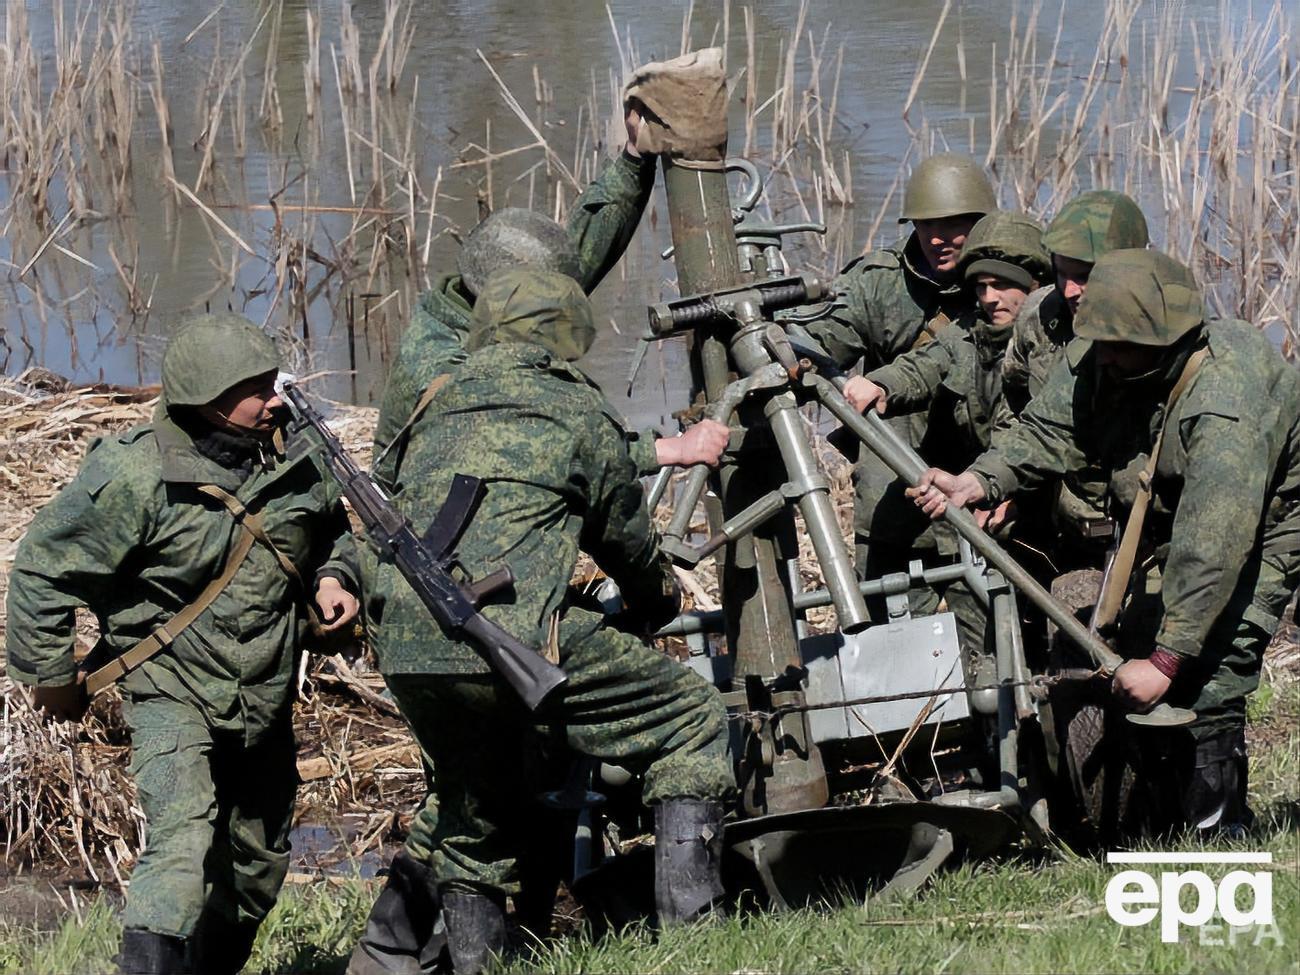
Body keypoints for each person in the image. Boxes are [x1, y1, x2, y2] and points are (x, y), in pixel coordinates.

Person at [349, 108, 727, 975]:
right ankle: (698, 945)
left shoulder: (449, 381)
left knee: (472, 801)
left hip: (407, 634)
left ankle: (449, 959)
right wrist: (656, 600)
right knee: (689, 720)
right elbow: (624, 533)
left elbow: (568, 263)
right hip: (495, 624)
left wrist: (633, 163)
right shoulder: (551, 397)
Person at [6, 313, 361, 975]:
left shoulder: (296, 452)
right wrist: (51, 676)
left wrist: (338, 577)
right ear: (207, 397)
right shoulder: (137, 476)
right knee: (182, 837)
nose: (277, 395)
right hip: (171, 687)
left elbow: (334, 528)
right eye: (256, 387)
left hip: (264, 687)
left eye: (272, 380)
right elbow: (42, 569)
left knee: (258, 861)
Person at [912, 249, 1300, 835]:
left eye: (1116, 349)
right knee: (1149, 636)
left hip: (1269, 516)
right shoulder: (1112, 356)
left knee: (1214, 662)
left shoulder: (1224, 406)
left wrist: (1169, 660)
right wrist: (978, 479)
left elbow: (1215, 540)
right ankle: (1159, 822)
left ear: (1163, 342)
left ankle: (1218, 840)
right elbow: (1051, 427)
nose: (1103, 359)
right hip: (1196, 515)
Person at [372, 102, 727, 489]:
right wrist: (668, 450)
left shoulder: (486, 300)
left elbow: (581, 248)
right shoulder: (445, 368)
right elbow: (548, 446)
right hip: (441, 519)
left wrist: (634, 158)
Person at [842, 210, 1050, 674]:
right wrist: (879, 385)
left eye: (1002, 286)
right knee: (979, 649)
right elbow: (926, 363)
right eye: (979, 287)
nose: (989, 298)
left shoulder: (1056, 347)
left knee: (1031, 649)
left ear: (1034, 287)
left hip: (1037, 515)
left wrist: (1016, 498)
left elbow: (1045, 436)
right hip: (982, 506)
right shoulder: (972, 333)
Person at [798, 152, 995, 591]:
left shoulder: (1008, 287)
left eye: (953, 226)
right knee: (886, 641)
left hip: (981, 494)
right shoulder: (879, 282)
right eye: (926, 227)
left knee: (998, 638)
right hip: (894, 499)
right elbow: (823, 337)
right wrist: (783, 345)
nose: (938, 239)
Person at [998, 190, 1150, 569]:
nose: (1069, 291)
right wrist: (1008, 488)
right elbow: (1013, 404)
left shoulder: (1162, 326)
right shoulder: (1038, 316)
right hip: (1064, 524)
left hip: (1146, 533)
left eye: (1084, 276)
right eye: (1061, 273)